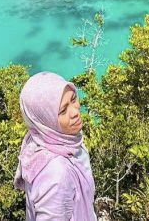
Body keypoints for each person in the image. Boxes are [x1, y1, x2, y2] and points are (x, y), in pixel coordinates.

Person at [14, 71, 97, 221]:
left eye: (73, 99)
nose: (75, 112)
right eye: (63, 111)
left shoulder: (59, 141)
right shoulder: (56, 174)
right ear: (46, 119)